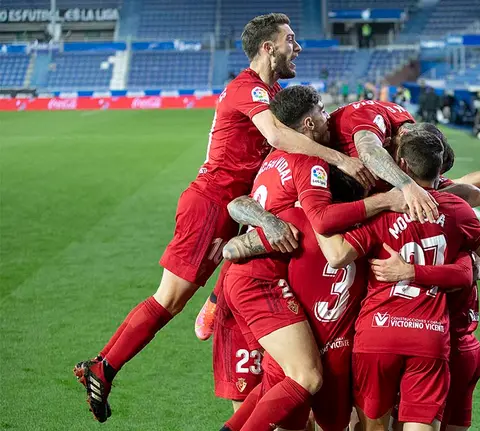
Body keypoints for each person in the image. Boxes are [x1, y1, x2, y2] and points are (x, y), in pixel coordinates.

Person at [72, 13, 372, 423]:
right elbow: (278, 137)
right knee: (170, 300)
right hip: (211, 204)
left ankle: (215, 299)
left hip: (238, 208)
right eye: (290, 40)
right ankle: (103, 366)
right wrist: (340, 159)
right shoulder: (245, 88)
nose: (297, 47)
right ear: (268, 48)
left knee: (243, 260)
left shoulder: (273, 90)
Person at [217, 86, 406, 431]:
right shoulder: (312, 168)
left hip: (261, 281)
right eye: (321, 110)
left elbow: (234, 226)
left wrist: (268, 224)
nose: (328, 116)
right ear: (308, 122)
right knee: (306, 378)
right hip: (266, 286)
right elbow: (322, 223)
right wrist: (388, 200)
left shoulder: (277, 155)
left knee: (282, 385)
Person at [313, 131, 480, 431]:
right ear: (441, 168)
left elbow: (338, 256)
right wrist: (459, 269)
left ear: (400, 164)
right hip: (429, 335)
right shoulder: (456, 211)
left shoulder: (382, 208)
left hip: (378, 333)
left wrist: (312, 213)